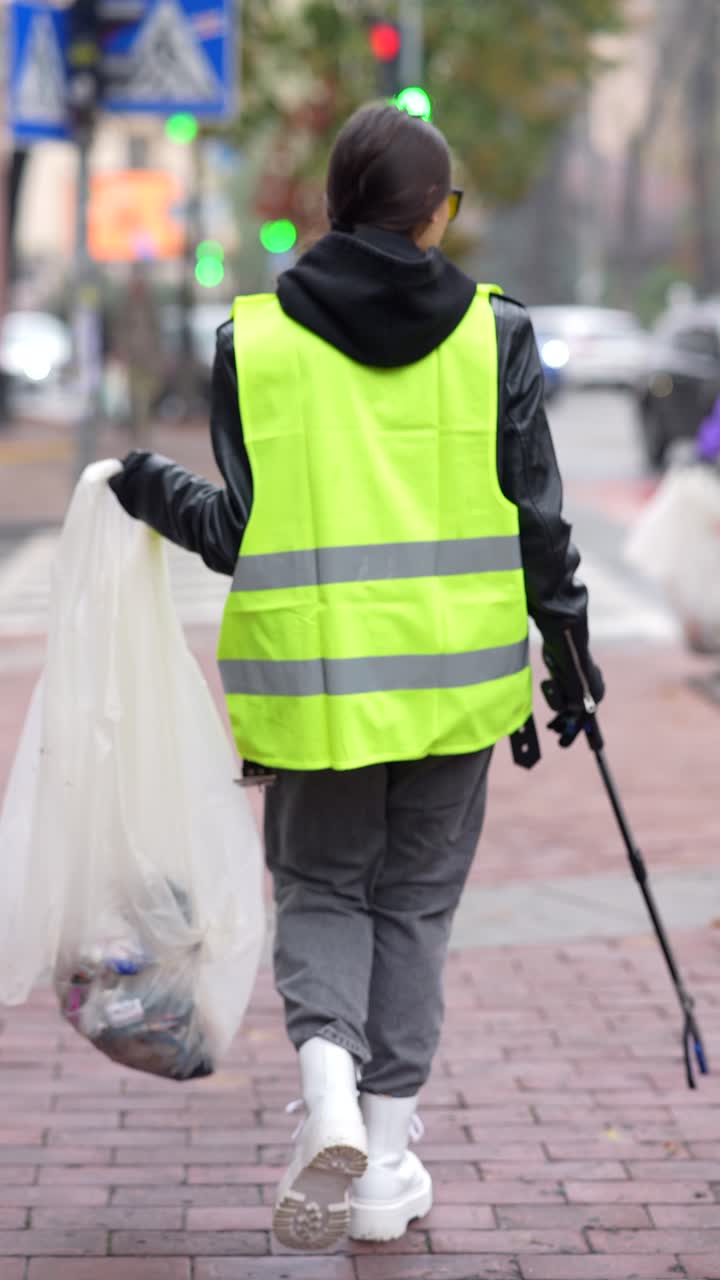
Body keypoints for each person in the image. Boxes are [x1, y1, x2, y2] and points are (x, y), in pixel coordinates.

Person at [108, 102, 604, 1252]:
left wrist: (146, 486)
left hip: (317, 685)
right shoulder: (499, 336)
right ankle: (383, 1155)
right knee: (415, 905)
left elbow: (236, 529)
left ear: (336, 204)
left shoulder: (256, 340)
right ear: (433, 215)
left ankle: (325, 1088)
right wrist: (569, 655)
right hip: (457, 688)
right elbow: (540, 520)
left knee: (326, 889)